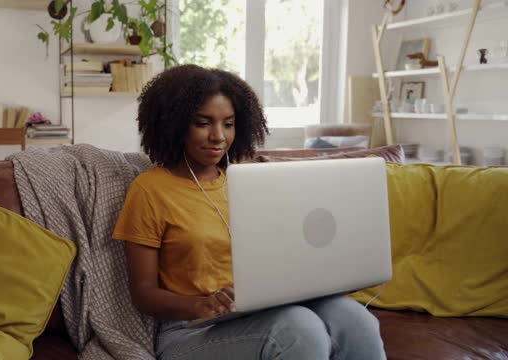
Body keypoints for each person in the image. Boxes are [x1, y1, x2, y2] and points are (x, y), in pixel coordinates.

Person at [112, 64, 385, 360]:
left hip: (255, 312)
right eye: (203, 123)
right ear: (175, 124)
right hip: (189, 330)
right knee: (299, 330)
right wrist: (201, 305)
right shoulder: (150, 190)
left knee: (357, 320)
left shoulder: (246, 183)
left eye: (228, 124)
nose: (218, 136)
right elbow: (143, 293)